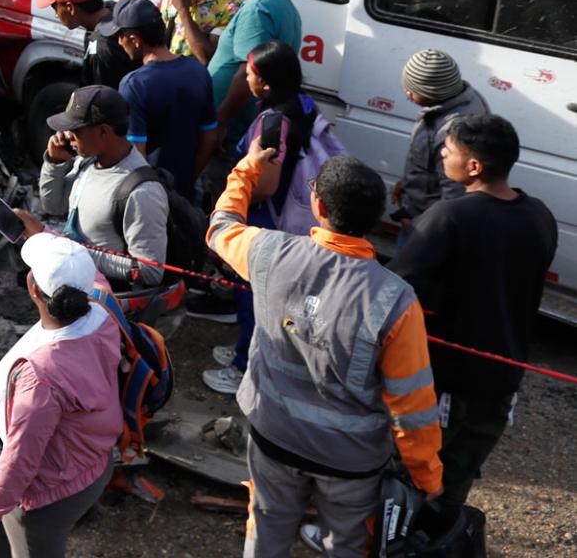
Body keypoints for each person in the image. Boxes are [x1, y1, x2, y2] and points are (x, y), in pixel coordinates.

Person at [207, 139, 441, 558]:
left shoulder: (268, 252)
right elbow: (413, 404)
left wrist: (247, 168)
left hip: (273, 435)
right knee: (346, 545)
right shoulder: (396, 300)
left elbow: (221, 226)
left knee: (266, 529)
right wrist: (427, 478)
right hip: (349, 461)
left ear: (319, 206)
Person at [388, 113, 555, 521]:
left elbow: (395, 291)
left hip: (445, 382)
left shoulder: (450, 217)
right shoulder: (540, 216)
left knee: (411, 476)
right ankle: (436, 540)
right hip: (501, 381)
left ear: (475, 166)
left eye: (449, 150)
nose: (442, 154)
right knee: (454, 483)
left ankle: (390, 540)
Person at [199, 41, 352, 392]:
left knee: (254, 296)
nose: (246, 78)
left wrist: (235, 192)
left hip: (268, 218)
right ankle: (243, 350)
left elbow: (266, 185)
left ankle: (244, 368)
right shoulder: (301, 103)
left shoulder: (272, 123)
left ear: (265, 83)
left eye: (249, 73)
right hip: (289, 215)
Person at [0, 231, 120, 558]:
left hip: (50, 491)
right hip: (91, 458)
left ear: (33, 289)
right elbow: (94, 275)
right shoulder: (104, 310)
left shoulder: (43, 377)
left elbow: (22, 455)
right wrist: (41, 233)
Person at [34, 85, 169, 290]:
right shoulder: (86, 162)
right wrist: (54, 163)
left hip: (105, 298)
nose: (66, 135)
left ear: (104, 131)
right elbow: (53, 206)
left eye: (76, 130)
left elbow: (150, 272)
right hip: (77, 283)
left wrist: (75, 252)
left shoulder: (142, 192)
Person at [110, 0, 216, 200]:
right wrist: (186, 181)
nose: (118, 42)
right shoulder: (198, 70)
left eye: (120, 35)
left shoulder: (133, 85)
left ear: (134, 40)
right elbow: (209, 139)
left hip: (151, 198)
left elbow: (136, 156)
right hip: (186, 194)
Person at [206, 0, 301, 136]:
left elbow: (246, 74)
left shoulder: (256, 9)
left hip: (233, 128)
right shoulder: (285, 5)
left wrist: (220, 121)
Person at [393, 48, 488, 230]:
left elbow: (454, 198)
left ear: (433, 93)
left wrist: (415, 226)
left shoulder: (452, 134)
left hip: (428, 227)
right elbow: (428, 161)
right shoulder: (462, 99)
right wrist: (409, 181)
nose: (407, 93)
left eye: (412, 90)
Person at [34, 0, 136, 90]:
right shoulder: (111, 8)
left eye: (55, 7)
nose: (56, 15)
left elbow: (106, 99)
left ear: (70, 8)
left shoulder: (104, 47)